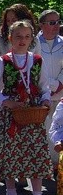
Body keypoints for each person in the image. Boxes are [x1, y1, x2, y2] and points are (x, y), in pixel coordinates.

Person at [0, 20, 53, 195]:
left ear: (31, 39)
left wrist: (46, 100)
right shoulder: (3, 61)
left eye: (26, 36)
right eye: (18, 36)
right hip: (10, 113)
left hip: (33, 113)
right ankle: (11, 192)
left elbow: (44, 87)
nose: (22, 40)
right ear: (10, 38)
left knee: (36, 152)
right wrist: (8, 102)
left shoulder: (37, 60)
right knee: (10, 152)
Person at [0, 4, 41, 160]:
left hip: (27, 94)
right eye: (8, 20)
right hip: (3, 89)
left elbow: (39, 68)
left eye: (15, 19)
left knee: (25, 132)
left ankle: (21, 165)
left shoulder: (34, 41)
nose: (11, 22)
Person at [37, 9, 63, 164]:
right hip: (41, 96)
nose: (56, 26)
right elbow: (34, 68)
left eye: (58, 22)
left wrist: (60, 83)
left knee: (57, 133)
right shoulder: (33, 43)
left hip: (60, 95)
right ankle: (40, 167)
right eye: (52, 22)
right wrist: (52, 85)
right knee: (42, 132)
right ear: (41, 25)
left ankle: (55, 168)